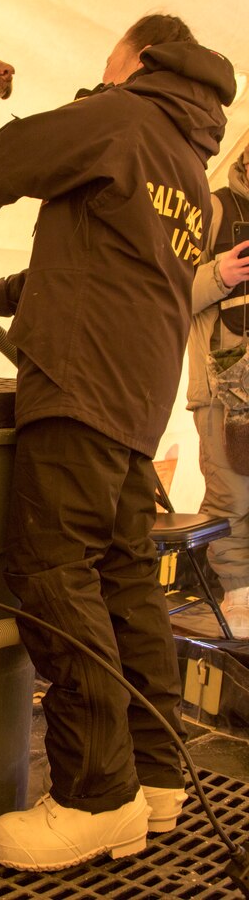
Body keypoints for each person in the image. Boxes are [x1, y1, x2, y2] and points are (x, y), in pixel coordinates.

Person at [0, 14, 235, 872]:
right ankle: (155, 777)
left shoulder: (121, 113)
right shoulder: (188, 166)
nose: (102, 73)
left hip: (78, 384)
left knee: (52, 571)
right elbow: (93, 261)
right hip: (137, 400)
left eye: (112, 63)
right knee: (122, 577)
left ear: (138, 59)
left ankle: (93, 795)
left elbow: (15, 153)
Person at [187, 143, 249, 637]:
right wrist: (217, 275)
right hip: (227, 390)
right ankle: (239, 602)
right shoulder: (212, 208)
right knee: (232, 498)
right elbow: (160, 290)